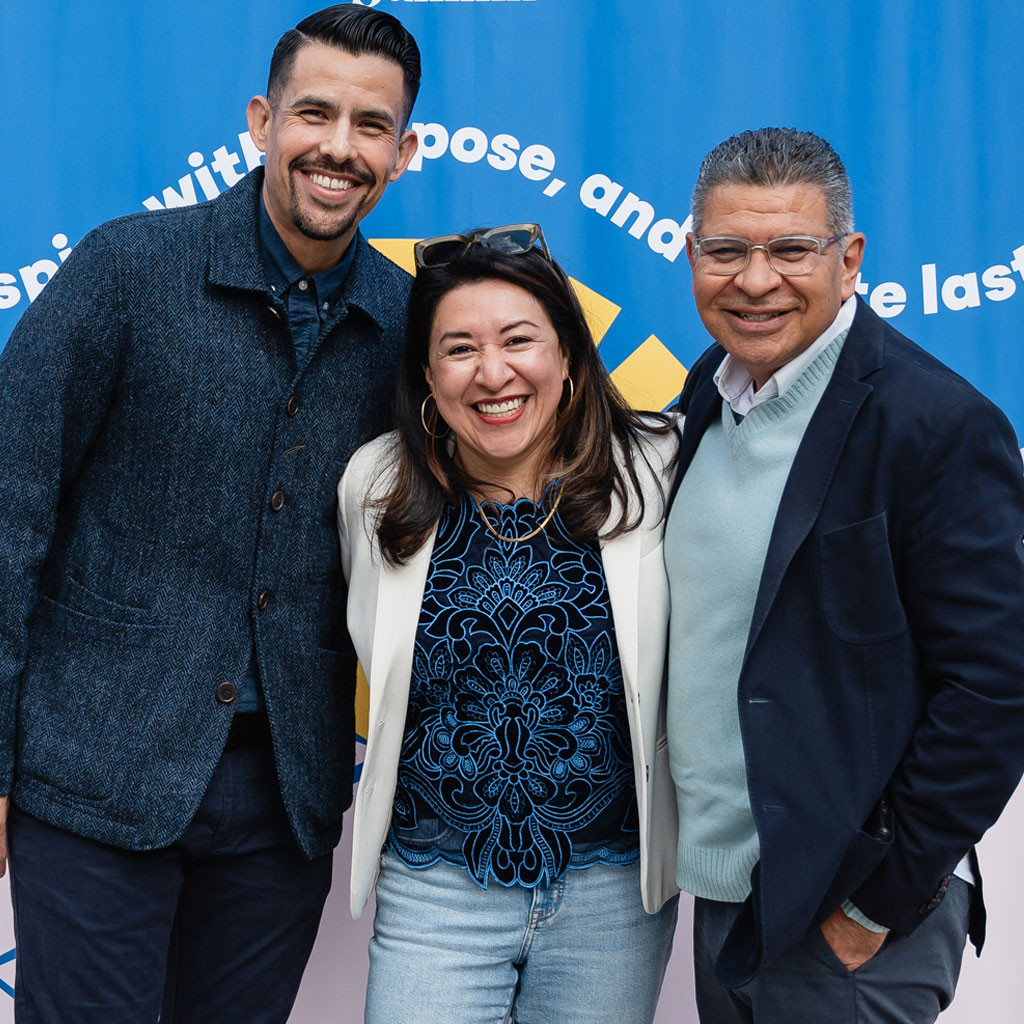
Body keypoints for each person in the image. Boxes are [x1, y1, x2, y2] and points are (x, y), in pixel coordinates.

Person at [0, 6, 419, 1021]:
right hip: (91, 778)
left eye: (371, 126)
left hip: (285, 803)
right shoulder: (127, 270)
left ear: (403, 153)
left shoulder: (407, 322)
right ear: (260, 120)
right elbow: (9, 510)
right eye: (313, 113)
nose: (338, 146)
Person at [665, 126, 1024, 1023]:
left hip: (847, 922)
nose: (755, 280)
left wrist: (874, 905)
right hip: (729, 900)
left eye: (791, 249)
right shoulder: (709, 386)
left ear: (850, 256)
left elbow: (997, 688)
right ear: (690, 251)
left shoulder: (935, 424)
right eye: (727, 250)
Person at [336, 225, 681, 1024]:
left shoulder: (660, 468)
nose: (493, 373)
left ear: (568, 353)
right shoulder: (375, 487)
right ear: (427, 373)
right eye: (459, 349)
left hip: (613, 896)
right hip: (435, 891)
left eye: (519, 340)